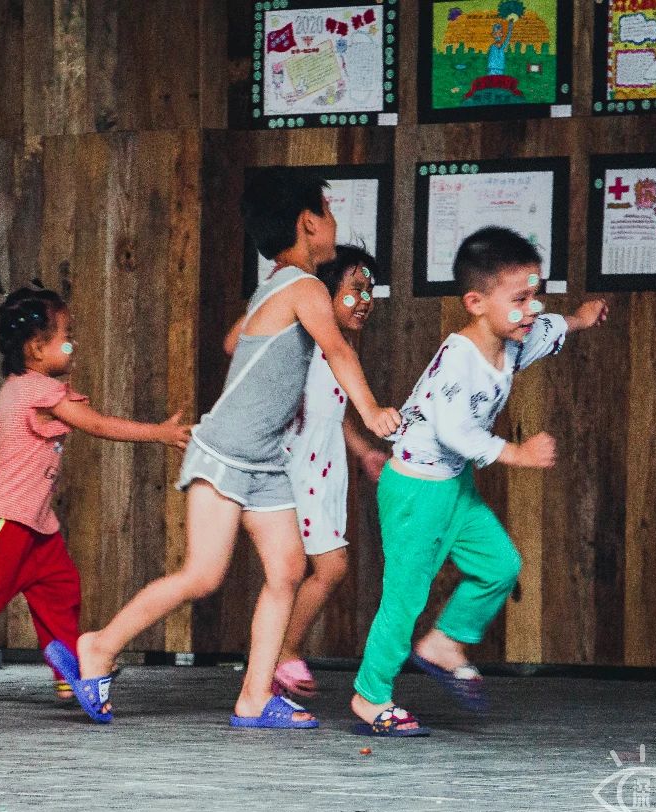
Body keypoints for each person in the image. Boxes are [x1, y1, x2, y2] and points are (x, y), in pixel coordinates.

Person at [48, 169, 400, 728]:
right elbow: (338, 351)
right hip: (225, 452)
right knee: (203, 575)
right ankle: (98, 646)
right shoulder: (304, 288)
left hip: (266, 460)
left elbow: (238, 341)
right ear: (309, 223)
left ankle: (254, 698)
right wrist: (373, 411)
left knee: (287, 570)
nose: (334, 224)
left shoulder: (278, 285)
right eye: (329, 213)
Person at [349, 226, 608, 737]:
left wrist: (581, 318)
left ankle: (444, 643)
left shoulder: (513, 339)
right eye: (520, 299)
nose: (531, 309)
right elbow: (456, 432)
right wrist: (518, 453)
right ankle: (369, 696)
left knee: (499, 566)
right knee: (404, 599)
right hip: (415, 491)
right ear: (476, 303)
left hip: (454, 487)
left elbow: (549, 327)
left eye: (535, 295)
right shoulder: (458, 359)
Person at [0, 282, 189, 713]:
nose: (74, 345)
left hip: (34, 523)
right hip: (8, 521)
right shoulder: (37, 391)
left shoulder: (10, 391)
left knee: (60, 588)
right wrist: (160, 433)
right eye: (66, 338)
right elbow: (97, 424)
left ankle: (68, 673)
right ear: (36, 349)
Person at [224, 245, 389, 702]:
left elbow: (334, 412)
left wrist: (364, 452)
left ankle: (271, 663)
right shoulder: (298, 338)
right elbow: (234, 343)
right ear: (323, 292)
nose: (365, 300)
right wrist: (279, 291)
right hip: (293, 467)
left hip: (325, 468)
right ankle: (283, 652)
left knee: (304, 570)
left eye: (370, 291)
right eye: (355, 289)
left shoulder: (342, 348)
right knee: (328, 566)